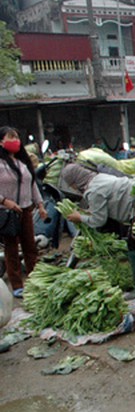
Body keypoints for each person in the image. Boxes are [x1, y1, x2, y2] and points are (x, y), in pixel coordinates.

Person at [60, 164, 135, 299]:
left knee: (134, 244)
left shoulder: (93, 191)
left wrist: (80, 217)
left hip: (133, 209)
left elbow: (99, 221)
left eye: (71, 184)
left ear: (75, 181)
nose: (72, 187)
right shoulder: (100, 177)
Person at [0, 126, 48, 299]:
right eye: (11, 137)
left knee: (30, 248)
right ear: (1, 142)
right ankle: (17, 286)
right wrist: (6, 202)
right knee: (11, 250)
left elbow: (32, 185)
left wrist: (41, 205)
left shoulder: (22, 163)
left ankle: (35, 282)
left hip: (26, 210)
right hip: (7, 212)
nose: (15, 141)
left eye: (17, 137)